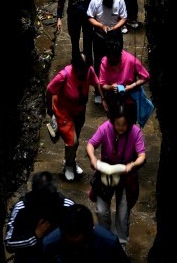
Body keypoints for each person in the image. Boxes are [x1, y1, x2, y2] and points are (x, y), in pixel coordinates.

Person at [86, 95, 146, 247]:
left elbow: (141, 155)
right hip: (106, 171)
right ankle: (105, 238)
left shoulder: (135, 132)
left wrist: (132, 165)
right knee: (101, 210)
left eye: (123, 125)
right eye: (117, 124)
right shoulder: (105, 128)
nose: (120, 128)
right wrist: (93, 159)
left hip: (125, 174)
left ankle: (121, 242)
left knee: (123, 211)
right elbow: (91, 144)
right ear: (112, 121)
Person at [4, 170, 72, 253]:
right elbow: (9, 243)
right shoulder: (21, 207)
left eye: (49, 199)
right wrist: (35, 236)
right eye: (42, 199)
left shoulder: (66, 206)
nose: (45, 204)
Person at [45, 57, 89, 182]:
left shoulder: (87, 72)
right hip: (64, 111)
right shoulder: (64, 76)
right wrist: (50, 109)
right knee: (73, 141)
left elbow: (97, 82)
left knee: (75, 138)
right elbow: (49, 90)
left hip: (79, 111)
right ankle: (68, 166)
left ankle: (71, 160)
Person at [88, 31, 149, 112]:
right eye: (110, 58)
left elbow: (146, 77)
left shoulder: (131, 60)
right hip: (113, 101)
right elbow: (102, 84)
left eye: (115, 58)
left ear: (120, 53)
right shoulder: (104, 61)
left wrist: (132, 86)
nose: (112, 61)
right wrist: (111, 87)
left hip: (130, 100)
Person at [42, 202, 125, 258]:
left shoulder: (109, 244)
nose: (74, 253)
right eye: (70, 246)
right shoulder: (49, 245)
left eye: (79, 247)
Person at [86, 0, 127, 95]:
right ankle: (99, 91)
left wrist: (114, 28)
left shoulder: (119, 0)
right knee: (99, 62)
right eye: (106, 1)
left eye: (110, 1)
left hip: (115, 34)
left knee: (116, 60)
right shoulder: (95, 0)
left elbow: (124, 18)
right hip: (100, 35)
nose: (108, 3)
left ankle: (115, 87)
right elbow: (90, 16)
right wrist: (101, 26)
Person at [56, 0, 93, 69]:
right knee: (74, 38)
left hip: (85, 11)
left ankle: (88, 62)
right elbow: (61, 1)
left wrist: (93, 16)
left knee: (88, 38)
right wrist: (59, 18)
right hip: (73, 12)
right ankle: (76, 61)